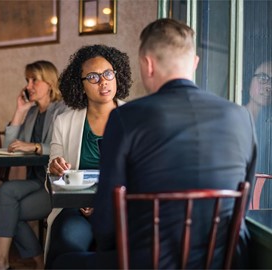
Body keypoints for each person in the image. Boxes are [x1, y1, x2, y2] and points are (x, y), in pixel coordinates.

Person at [53, 18, 257, 269]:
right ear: (194, 63)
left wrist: (109, 247)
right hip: (222, 260)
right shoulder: (240, 116)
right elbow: (244, 206)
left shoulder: (127, 118)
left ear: (147, 64)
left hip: (149, 260)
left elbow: (106, 219)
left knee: (61, 263)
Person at [45, 44, 132, 268]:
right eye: (92, 77)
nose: (103, 81)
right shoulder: (64, 122)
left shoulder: (135, 118)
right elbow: (53, 179)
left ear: (116, 76)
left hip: (122, 209)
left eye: (108, 74)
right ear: (80, 85)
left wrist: (105, 205)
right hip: (76, 207)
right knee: (67, 239)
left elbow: (143, 175)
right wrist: (55, 167)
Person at [0, 60, 68, 270]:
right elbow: (10, 148)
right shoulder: (32, 113)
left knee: (9, 210)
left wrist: (34, 146)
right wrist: (20, 111)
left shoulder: (63, 110)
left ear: (50, 83)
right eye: (27, 80)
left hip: (55, 184)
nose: (28, 86)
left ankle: (8, 262)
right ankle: (5, 261)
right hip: (36, 181)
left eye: (35, 80)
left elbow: (64, 148)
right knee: (6, 191)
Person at [244, 61, 272, 207]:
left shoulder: (269, 125)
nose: (268, 86)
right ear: (249, 82)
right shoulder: (235, 117)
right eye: (262, 78)